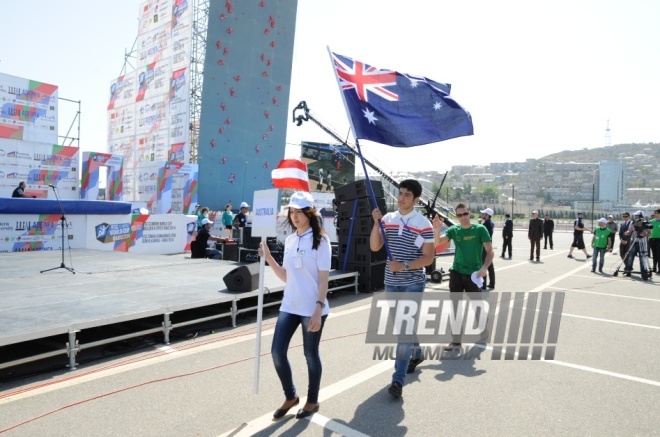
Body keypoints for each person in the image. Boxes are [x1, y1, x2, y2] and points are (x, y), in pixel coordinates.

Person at [258, 191, 331, 419]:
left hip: (312, 308)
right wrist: (269, 258)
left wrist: (318, 308)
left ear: (309, 213)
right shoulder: (290, 240)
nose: (295, 216)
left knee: (310, 355)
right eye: (291, 211)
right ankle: (291, 397)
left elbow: (323, 279)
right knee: (277, 352)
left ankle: (312, 401)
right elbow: (287, 277)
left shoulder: (321, 241)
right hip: (289, 305)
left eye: (299, 211)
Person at [370, 179, 434, 398]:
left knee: (403, 332)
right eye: (400, 193)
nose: (401, 197)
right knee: (403, 328)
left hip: (413, 282)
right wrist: (376, 223)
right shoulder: (388, 219)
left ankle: (398, 380)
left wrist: (404, 265)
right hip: (391, 281)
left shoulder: (423, 223)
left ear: (416, 199)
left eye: (407, 194)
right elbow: (375, 246)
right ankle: (417, 353)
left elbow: (428, 258)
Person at [433, 203, 493, 349]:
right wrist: (436, 229)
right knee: (455, 307)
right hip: (456, 273)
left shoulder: (480, 229)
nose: (462, 217)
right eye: (459, 215)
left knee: (476, 306)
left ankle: (483, 332)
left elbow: (490, 251)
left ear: (469, 213)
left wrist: (484, 268)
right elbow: (437, 242)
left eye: (464, 214)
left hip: (473, 274)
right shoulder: (454, 230)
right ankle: (456, 341)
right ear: (456, 216)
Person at [623, 211, 650, 278]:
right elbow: (630, 230)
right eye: (635, 215)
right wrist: (627, 232)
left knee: (642, 258)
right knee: (630, 257)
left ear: (641, 216)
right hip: (634, 241)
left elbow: (649, 233)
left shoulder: (646, 223)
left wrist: (644, 234)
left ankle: (644, 272)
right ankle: (628, 271)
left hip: (642, 242)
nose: (635, 216)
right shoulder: (633, 222)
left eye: (637, 215)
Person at [480, 208, 495, 289]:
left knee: (484, 264)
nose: (483, 215)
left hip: (485, 246)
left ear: (488, 215)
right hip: (489, 245)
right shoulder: (490, 223)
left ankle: (483, 284)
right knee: (490, 265)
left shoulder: (486, 224)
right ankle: (492, 284)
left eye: (484, 214)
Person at [650, 209, 660, 273]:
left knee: (659, 254)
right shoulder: (652, 221)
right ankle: (654, 268)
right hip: (652, 239)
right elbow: (648, 229)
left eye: (656, 213)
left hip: (659, 240)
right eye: (654, 213)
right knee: (654, 254)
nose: (655, 214)